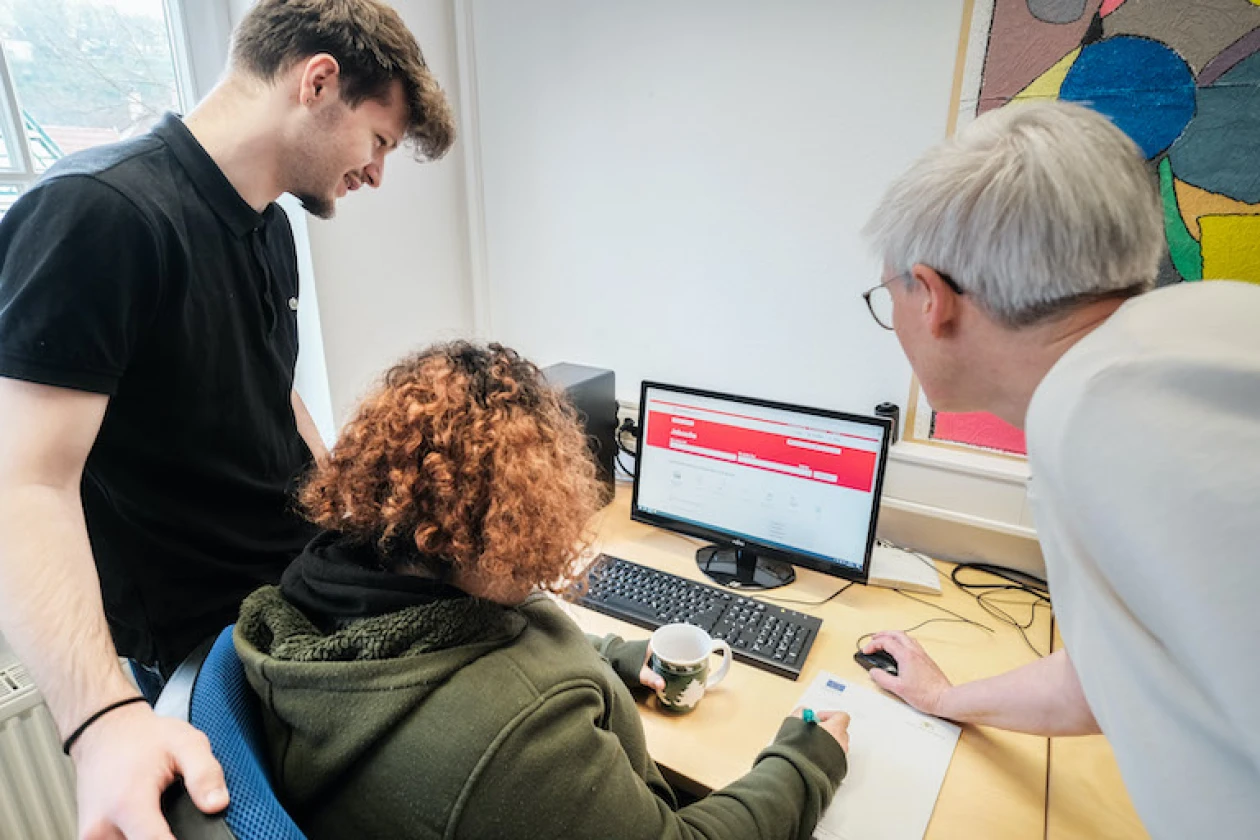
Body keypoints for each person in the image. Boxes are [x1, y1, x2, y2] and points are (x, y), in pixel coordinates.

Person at [0, 1, 455, 837]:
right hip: (200, 642)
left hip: (295, 593)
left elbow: (274, 389)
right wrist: (100, 723)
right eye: (380, 142)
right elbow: (23, 482)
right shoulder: (97, 214)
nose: (377, 174)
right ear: (319, 81)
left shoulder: (270, 229)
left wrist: (354, 519)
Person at [234, 341, 850, 840]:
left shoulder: (335, 589)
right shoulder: (514, 742)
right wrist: (805, 762)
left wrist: (613, 656)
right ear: (492, 527)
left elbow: (491, 632)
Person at [857, 100, 1259, 837]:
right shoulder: (1206, 329)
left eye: (890, 299)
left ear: (933, 298)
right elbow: (1114, 666)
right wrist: (946, 699)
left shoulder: (1106, 420)